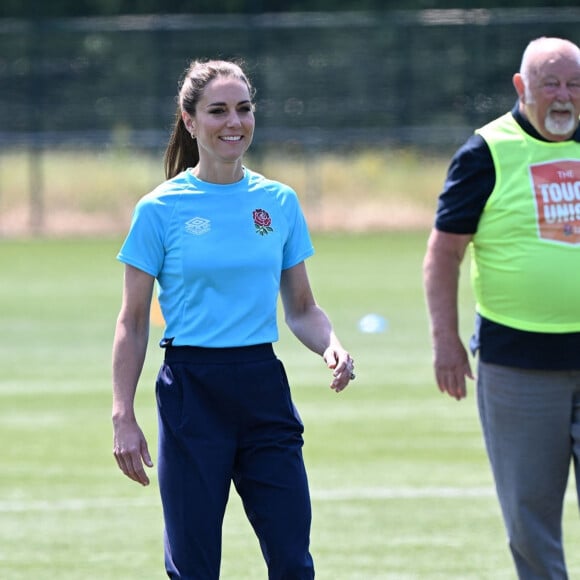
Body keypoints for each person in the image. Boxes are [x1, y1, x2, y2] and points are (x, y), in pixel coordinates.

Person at [111, 59, 355, 579]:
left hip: (263, 386)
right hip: (191, 392)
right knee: (194, 566)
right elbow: (132, 322)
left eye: (243, 109)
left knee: (292, 560)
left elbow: (303, 308)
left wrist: (331, 343)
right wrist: (122, 415)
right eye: (217, 111)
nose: (234, 123)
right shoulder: (159, 209)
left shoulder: (278, 202)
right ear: (190, 120)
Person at [423, 37, 580, 579]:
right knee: (529, 519)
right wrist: (445, 340)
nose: (563, 97)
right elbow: (444, 254)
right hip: (517, 364)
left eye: (574, 84)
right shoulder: (486, 152)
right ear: (521, 87)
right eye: (550, 84)